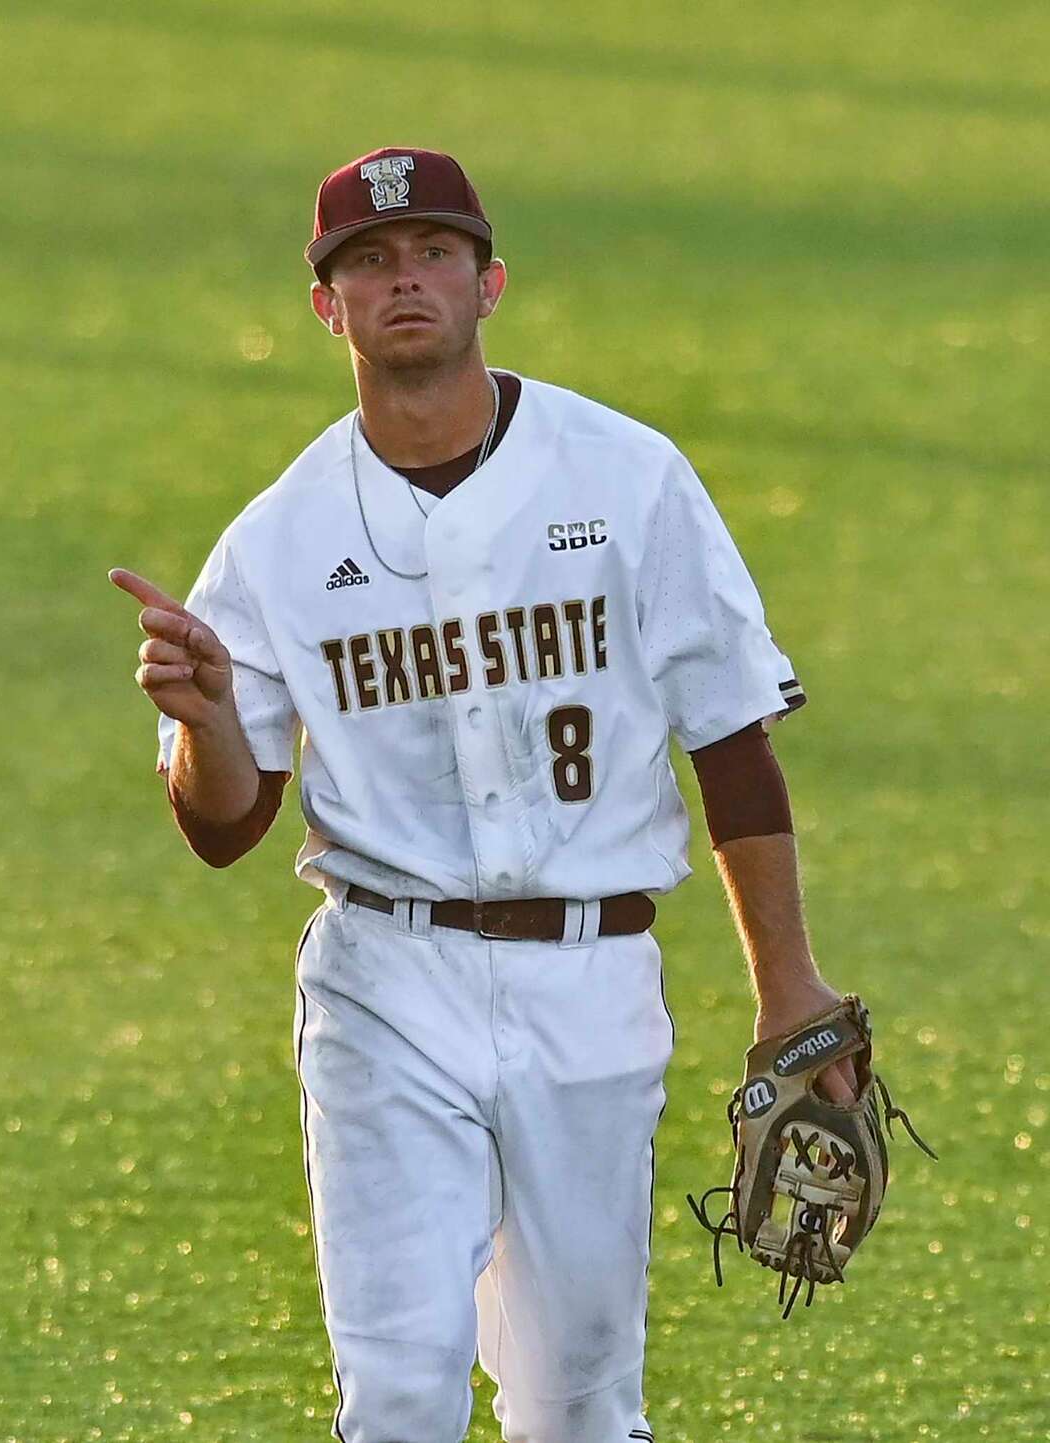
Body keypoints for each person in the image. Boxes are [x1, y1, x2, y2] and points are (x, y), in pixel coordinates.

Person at [110, 147, 858, 1443]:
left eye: (432, 255)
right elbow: (226, 824)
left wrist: (789, 985)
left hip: (593, 982)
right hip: (385, 985)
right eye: (368, 264)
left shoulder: (626, 480)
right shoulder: (280, 538)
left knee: (576, 1410)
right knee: (399, 1394)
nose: (404, 280)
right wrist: (206, 719)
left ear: (489, 281)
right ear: (325, 308)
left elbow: (732, 744)